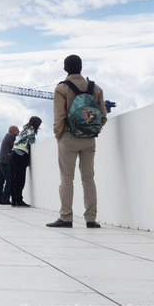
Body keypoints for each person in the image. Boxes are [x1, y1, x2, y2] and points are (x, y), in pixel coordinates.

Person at [47, 55, 107, 229]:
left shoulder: (61, 88)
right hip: (89, 139)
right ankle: (91, 219)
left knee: (67, 178)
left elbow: (59, 117)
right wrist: (93, 129)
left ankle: (66, 217)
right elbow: (103, 116)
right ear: (81, 67)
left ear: (65, 69)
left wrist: (58, 135)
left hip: (68, 137)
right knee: (88, 179)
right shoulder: (95, 88)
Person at [10, 115, 42, 207]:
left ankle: (14, 200)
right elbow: (32, 142)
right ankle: (19, 200)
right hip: (20, 154)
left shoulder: (25, 129)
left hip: (14, 152)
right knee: (20, 179)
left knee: (14, 178)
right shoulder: (31, 130)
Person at [0, 126, 19, 205]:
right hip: (6, 161)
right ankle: (5, 199)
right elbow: (15, 146)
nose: (19, 131)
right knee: (9, 180)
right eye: (17, 130)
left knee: (0, 181)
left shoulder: (7, 135)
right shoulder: (12, 136)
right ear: (13, 131)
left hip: (1, 160)